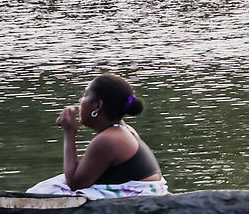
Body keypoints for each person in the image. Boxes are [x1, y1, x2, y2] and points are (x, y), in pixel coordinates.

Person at [29, 72, 167, 198]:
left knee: (48, 191)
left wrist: (70, 133)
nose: (80, 101)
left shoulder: (109, 140)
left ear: (97, 106)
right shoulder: (123, 130)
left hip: (141, 200)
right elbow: (82, 174)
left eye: (85, 95)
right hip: (146, 196)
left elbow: (75, 183)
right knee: (52, 185)